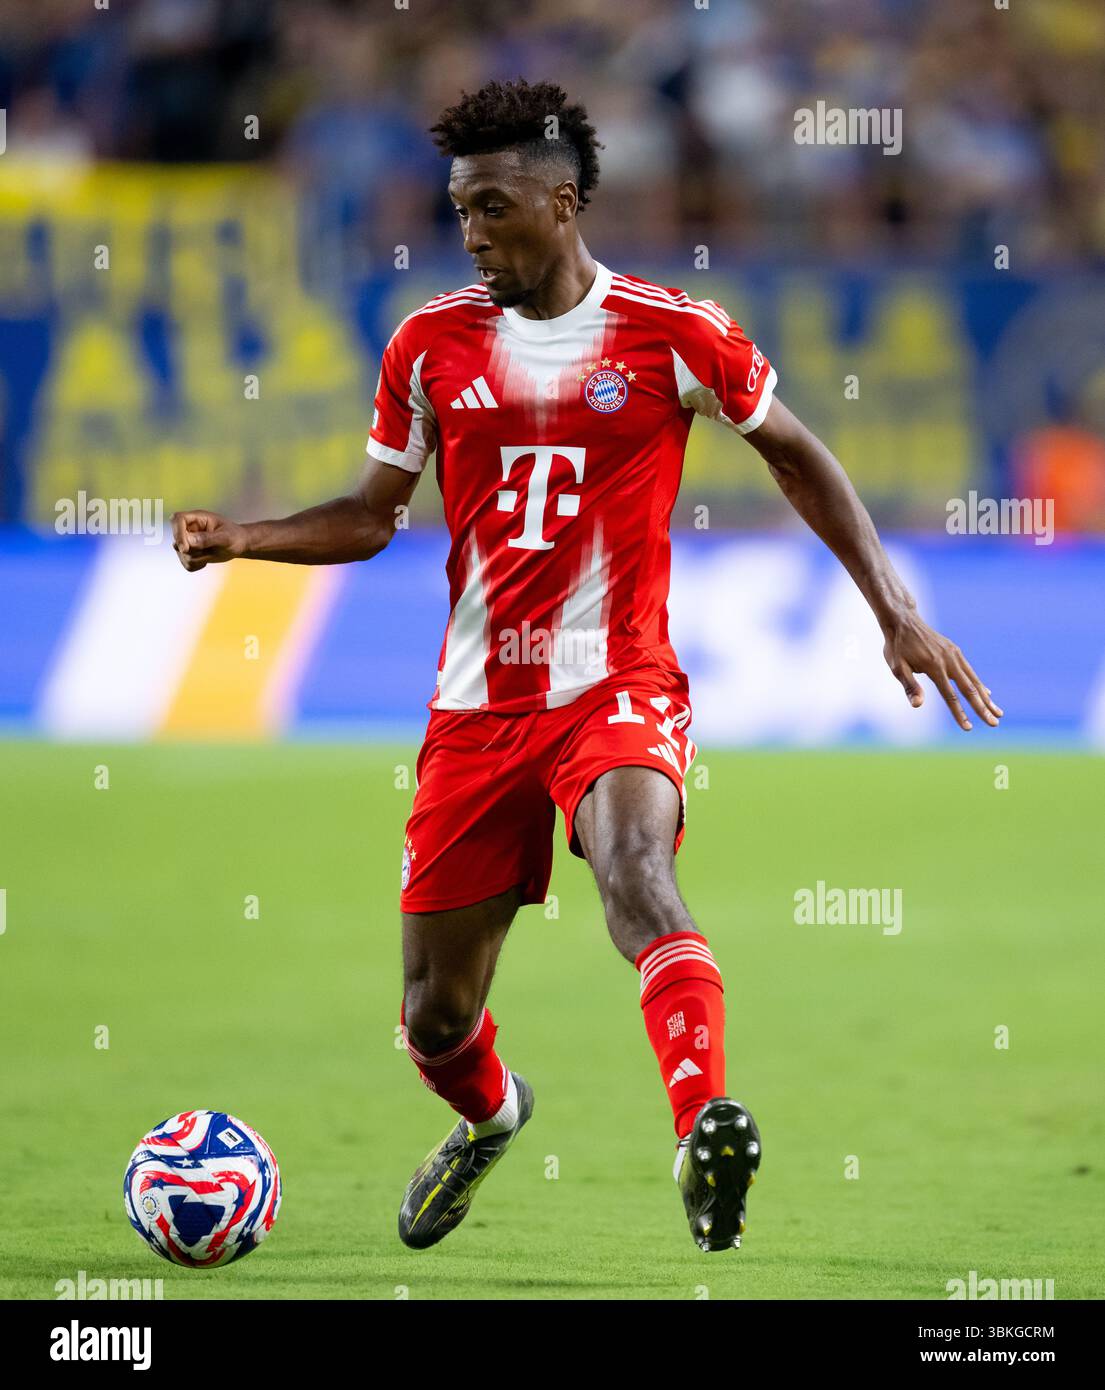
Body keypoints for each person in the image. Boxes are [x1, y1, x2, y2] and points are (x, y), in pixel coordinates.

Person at [171, 78, 1002, 1255]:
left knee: (634, 868)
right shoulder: (428, 343)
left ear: (562, 204)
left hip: (616, 688)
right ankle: (493, 1117)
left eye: (493, 207)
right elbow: (371, 513)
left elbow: (800, 456)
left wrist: (892, 609)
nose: (471, 232)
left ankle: (702, 1119)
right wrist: (242, 538)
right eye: (459, 210)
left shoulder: (674, 333)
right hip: (474, 714)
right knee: (435, 1017)